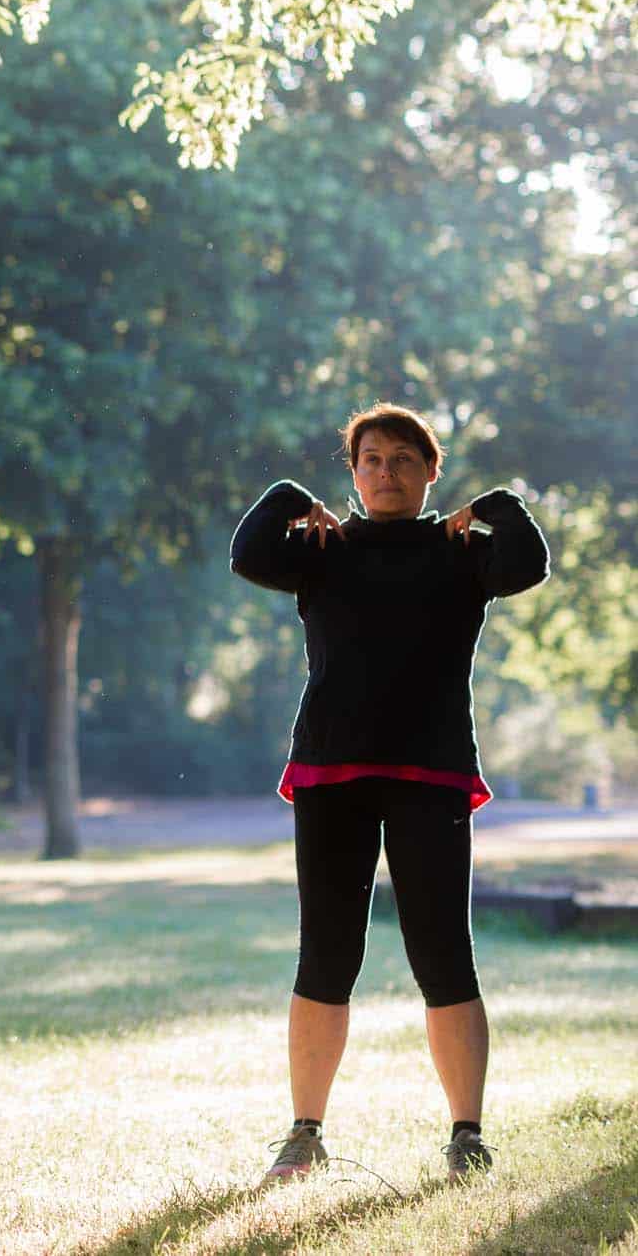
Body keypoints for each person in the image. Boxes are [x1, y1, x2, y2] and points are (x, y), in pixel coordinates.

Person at [231, 402, 548, 1184]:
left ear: (431, 471)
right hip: (332, 771)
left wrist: (498, 504)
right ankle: (305, 1132)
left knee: (444, 955)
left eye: (404, 458)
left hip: (430, 770)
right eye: (371, 458)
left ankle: (466, 1134)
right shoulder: (321, 549)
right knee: (326, 954)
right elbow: (245, 553)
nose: (386, 471)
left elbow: (529, 561)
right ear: (353, 472)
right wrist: (285, 495)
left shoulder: (463, 553)